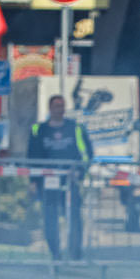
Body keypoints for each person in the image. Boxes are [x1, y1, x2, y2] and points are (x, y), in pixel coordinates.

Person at [27, 95, 92, 261]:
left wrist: (80, 171)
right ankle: (55, 253)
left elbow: (87, 153)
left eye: (62, 106)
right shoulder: (39, 130)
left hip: (70, 181)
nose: (59, 109)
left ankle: (75, 253)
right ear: (50, 108)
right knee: (50, 218)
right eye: (56, 106)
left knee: (74, 217)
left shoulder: (75, 128)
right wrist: (33, 181)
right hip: (47, 182)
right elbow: (32, 157)